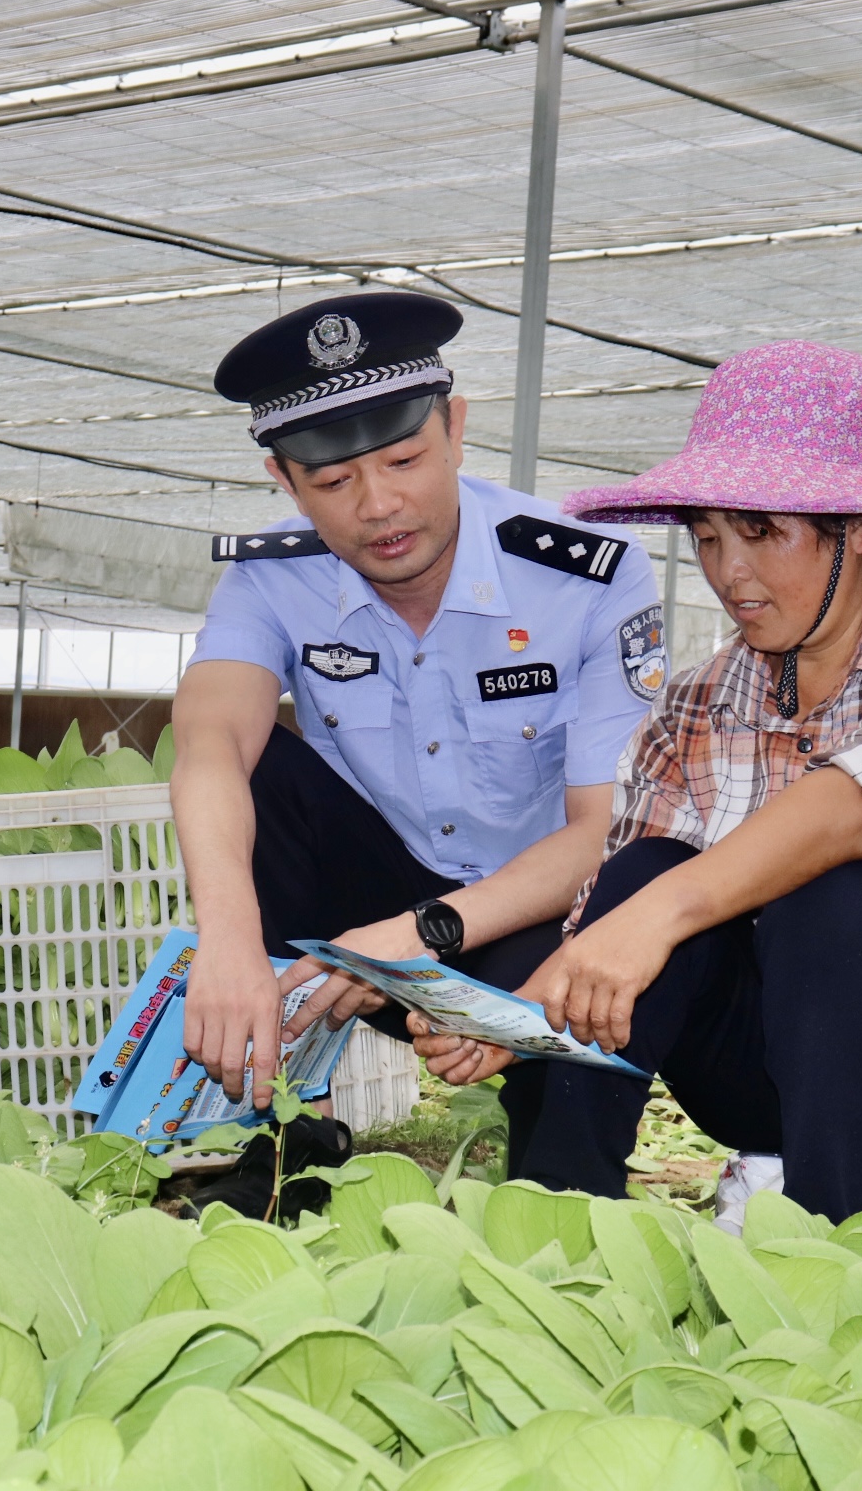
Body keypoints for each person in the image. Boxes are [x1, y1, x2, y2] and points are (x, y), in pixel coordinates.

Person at [413, 340, 862, 1223]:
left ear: (858, 528)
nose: (729, 571)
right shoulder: (699, 698)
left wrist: (651, 921)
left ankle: (811, 1248)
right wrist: (524, 1014)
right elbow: (616, 905)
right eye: (707, 537)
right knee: (642, 869)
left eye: (762, 532)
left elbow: (856, 811)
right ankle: (557, 1224)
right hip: (776, 1080)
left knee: (830, 889)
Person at [171, 290, 664, 1110]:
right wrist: (227, 936)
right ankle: (278, 1141)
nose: (377, 506)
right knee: (254, 769)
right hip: (366, 901)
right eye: (333, 479)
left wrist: (414, 937)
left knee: (571, 1036)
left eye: (404, 462)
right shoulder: (269, 577)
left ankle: (563, 1198)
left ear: (456, 429)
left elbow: (602, 833)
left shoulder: (586, 576)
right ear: (284, 481)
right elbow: (210, 739)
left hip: (531, 909)